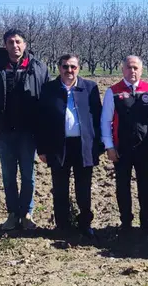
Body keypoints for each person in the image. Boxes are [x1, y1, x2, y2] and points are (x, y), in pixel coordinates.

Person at [0, 29, 50, 231]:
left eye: (18, 42)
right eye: (10, 42)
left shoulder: (38, 68)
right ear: (5, 45)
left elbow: (45, 101)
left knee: (28, 175)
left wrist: (45, 131)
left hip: (29, 131)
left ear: (25, 44)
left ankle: (27, 213)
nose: (15, 46)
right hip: (4, 131)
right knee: (8, 175)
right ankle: (12, 213)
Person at [38, 53, 103, 240]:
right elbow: (41, 121)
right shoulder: (49, 89)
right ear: (59, 68)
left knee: (84, 187)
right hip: (58, 145)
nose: (69, 70)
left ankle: (85, 224)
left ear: (78, 68)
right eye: (65, 66)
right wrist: (42, 148)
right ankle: (62, 225)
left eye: (73, 67)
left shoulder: (90, 88)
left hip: (83, 145)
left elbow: (97, 118)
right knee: (60, 188)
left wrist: (98, 145)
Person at [102, 55, 148, 236]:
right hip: (122, 148)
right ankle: (126, 222)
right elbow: (105, 120)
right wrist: (109, 146)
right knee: (122, 186)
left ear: (141, 70)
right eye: (129, 67)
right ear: (123, 69)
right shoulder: (113, 91)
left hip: (145, 147)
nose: (132, 71)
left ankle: (147, 222)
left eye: (136, 68)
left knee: (145, 186)